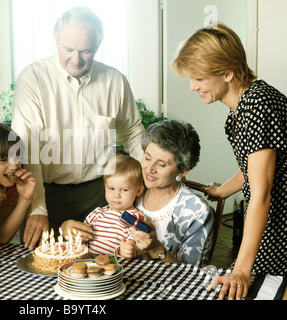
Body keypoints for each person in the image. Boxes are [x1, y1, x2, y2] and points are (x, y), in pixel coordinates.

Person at [11, 6, 145, 249]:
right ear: (56, 40)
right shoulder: (32, 79)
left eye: (86, 50)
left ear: (98, 44)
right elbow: (27, 147)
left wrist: (150, 178)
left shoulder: (115, 81)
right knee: (44, 264)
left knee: (102, 265)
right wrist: (38, 207)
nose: (76, 59)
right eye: (69, 49)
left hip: (99, 194)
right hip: (46, 191)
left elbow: (134, 133)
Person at [173, 23, 287, 300]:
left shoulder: (258, 107)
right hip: (273, 221)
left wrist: (241, 270)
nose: (192, 86)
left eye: (199, 78)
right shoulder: (243, 106)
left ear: (227, 73)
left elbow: (261, 192)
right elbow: (257, 168)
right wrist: (223, 190)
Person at [120, 119, 214, 267]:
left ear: (183, 171)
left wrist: (156, 249)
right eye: (147, 157)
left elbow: (192, 275)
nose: (149, 169)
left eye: (161, 164)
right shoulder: (130, 190)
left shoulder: (198, 212)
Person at [61, 155, 144, 256]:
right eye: (111, 188)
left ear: (138, 190)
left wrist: (130, 250)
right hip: (89, 261)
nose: (116, 195)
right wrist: (76, 239)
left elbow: (142, 248)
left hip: (117, 265)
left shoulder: (136, 218)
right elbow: (82, 236)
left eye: (124, 190)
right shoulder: (98, 213)